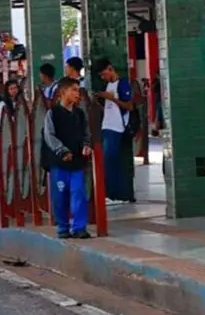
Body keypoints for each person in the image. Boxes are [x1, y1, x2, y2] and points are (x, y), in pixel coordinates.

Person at [42, 77, 92, 239]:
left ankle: (79, 227)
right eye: (74, 90)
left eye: (78, 90)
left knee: (78, 193)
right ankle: (63, 227)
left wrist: (86, 145)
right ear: (63, 92)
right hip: (59, 163)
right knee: (60, 196)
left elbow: (86, 133)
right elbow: (49, 136)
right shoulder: (53, 113)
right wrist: (62, 151)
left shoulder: (79, 114)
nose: (77, 94)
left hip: (77, 162)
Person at [92, 58, 135, 205]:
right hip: (107, 125)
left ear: (110, 69)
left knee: (111, 160)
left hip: (117, 128)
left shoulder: (122, 84)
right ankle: (110, 192)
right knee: (107, 161)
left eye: (104, 74)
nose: (103, 78)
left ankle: (115, 194)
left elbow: (129, 106)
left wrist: (113, 98)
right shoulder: (108, 85)